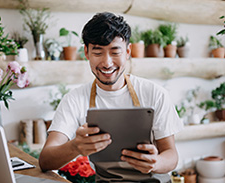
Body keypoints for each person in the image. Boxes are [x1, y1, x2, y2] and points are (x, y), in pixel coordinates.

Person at [39, 12, 183, 182]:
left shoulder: (154, 93)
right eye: (98, 52)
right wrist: (74, 146)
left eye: (115, 52)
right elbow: (45, 160)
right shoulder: (74, 99)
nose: (107, 63)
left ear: (127, 52)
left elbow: (171, 155)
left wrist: (156, 162)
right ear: (86, 52)